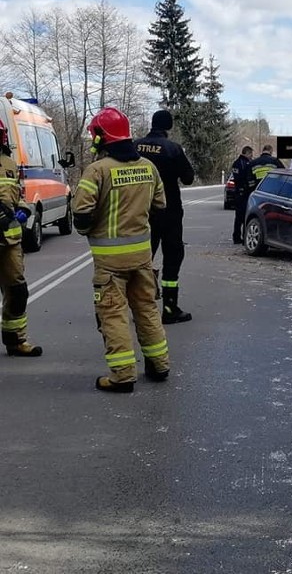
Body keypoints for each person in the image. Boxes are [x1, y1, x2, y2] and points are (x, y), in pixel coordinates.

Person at [71, 107, 169, 393]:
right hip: (142, 258)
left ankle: (123, 375)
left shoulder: (97, 170)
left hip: (110, 264)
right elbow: (160, 206)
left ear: (102, 137)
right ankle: (159, 365)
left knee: (113, 316)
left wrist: (91, 229)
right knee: (147, 310)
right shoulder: (148, 167)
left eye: (95, 135)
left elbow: (81, 215)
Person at [135, 109, 195, 324]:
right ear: (168, 126)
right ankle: (170, 308)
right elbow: (188, 178)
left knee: (142, 259)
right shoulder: (173, 149)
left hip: (141, 211)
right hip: (169, 212)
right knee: (172, 256)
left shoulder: (136, 146)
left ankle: (140, 306)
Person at [0, 118, 41, 357]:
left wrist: (24, 209)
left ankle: (16, 341)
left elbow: (18, 194)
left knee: (17, 292)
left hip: (9, 242)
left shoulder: (9, 163)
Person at [230, 145, 253, 244]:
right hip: (244, 192)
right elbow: (245, 178)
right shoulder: (246, 163)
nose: (252, 156)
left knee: (238, 216)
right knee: (244, 216)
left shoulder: (236, 163)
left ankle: (236, 236)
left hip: (238, 192)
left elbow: (236, 177)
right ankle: (243, 237)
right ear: (247, 153)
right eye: (251, 154)